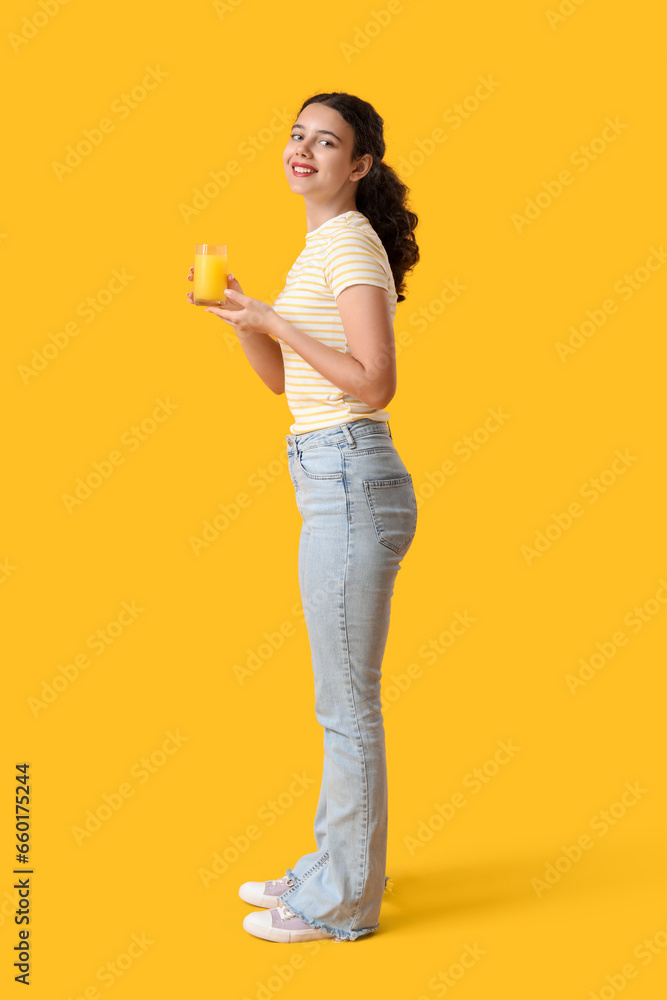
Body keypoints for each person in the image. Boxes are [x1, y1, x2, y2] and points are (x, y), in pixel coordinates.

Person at [186, 91, 420, 942]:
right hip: (331, 477)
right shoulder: (320, 244)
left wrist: (274, 317)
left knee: (346, 705)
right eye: (296, 134)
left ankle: (343, 904)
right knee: (339, 701)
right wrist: (242, 318)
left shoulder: (350, 245)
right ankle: (335, 871)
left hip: (351, 480)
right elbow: (288, 383)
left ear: (357, 167)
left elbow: (373, 381)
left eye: (326, 142)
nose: (303, 149)